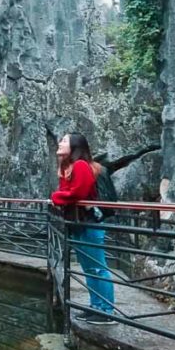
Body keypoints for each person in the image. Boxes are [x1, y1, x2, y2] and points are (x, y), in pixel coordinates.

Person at [50, 133, 117, 325]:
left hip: (89, 223)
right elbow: (68, 190)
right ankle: (96, 306)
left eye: (64, 140)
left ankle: (106, 311)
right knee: (89, 268)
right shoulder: (70, 166)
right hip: (80, 223)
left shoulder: (81, 165)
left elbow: (77, 192)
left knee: (97, 267)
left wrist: (55, 197)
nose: (60, 142)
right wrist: (62, 171)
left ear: (75, 146)